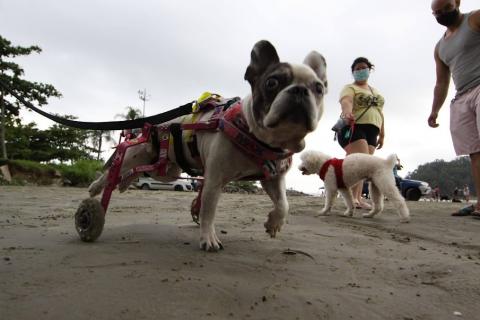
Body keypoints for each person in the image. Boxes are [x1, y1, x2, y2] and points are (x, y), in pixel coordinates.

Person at [428, 0, 480, 217]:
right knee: (475, 152)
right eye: (437, 13)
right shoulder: (440, 47)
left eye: (447, 8)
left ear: (457, 3)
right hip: (461, 97)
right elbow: (441, 82)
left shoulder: (474, 19)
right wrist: (434, 110)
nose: (442, 14)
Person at [337, 57, 385, 210]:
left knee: (364, 166)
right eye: (357, 69)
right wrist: (347, 113)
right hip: (354, 127)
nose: (360, 71)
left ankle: (357, 198)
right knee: (361, 164)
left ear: (369, 69)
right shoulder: (350, 88)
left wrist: (382, 134)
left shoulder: (375, 91)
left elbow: (380, 113)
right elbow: (347, 102)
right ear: (353, 72)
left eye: (363, 68)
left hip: (373, 130)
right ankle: (351, 198)